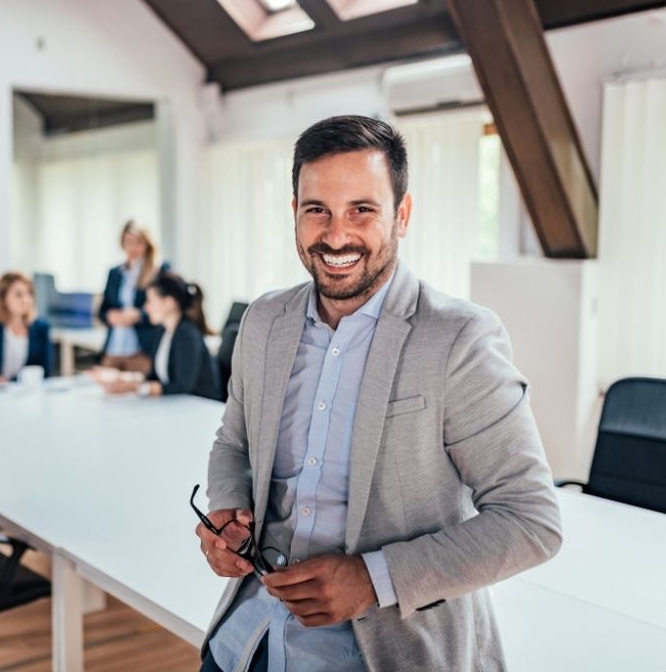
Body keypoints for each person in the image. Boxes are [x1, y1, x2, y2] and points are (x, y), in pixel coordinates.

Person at [196, 115, 562, 672]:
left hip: (388, 653)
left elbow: (531, 520)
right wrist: (226, 513)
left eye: (361, 210)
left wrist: (374, 579)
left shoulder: (458, 338)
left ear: (403, 215)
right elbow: (234, 441)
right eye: (317, 209)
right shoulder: (265, 320)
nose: (336, 235)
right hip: (246, 643)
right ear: (294, 212)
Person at [102, 272, 221, 401]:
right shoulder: (162, 332)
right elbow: (155, 376)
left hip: (200, 406)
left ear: (169, 303)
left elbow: (183, 386)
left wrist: (136, 388)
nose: (146, 308)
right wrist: (122, 378)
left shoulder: (186, 334)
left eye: (150, 301)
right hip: (178, 405)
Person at [97, 220, 166, 374]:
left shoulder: (158, 271)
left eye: (138, 242)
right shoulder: (115, 273)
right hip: (114, 349)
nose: (133, 248)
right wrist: (110, 316)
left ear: (147, 244)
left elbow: (166, 309)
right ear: (122, 243)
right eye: (129, 242)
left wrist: (138, 315)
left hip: (141, 351)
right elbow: (102, 311)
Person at [0, 272, 54, 383]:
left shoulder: (41, 328)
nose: (26, 300)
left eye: (29, 294)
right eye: (19, 295)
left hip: (25, 392)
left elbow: (45, 371)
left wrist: (8, 381)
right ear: (3, 298)